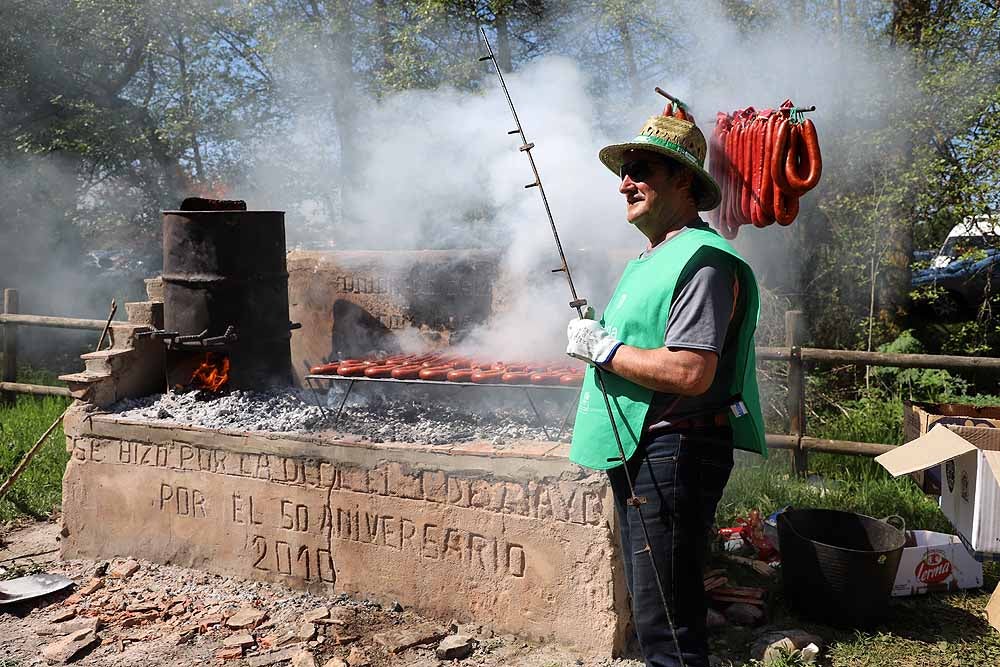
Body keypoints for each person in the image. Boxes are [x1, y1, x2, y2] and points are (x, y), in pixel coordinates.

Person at [565, 109, 767, 667]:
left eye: (641, 169)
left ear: (682, 180)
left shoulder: (702, 261)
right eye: (623, 171)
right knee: (660, 613)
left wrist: (604, 350)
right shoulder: (653, 258)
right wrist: (604, 337)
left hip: (674, 452)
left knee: (667, 629)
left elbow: (689, 372)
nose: (625, 182)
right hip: (646, 451)